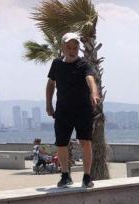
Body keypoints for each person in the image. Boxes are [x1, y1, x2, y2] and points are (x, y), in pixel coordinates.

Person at [45, 31, 101, 188]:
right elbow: (51, 84)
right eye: (69, 47)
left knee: (85, 141)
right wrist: (48, 104)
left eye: (75, 47)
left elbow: (90, 78)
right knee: (61, 143)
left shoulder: (84, 64)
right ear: (63, 47)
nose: (72, 50)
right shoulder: (57, 64)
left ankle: (87, 177)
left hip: (83, 110)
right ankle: (65, 176)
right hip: (63, 110)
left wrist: (94, 93)